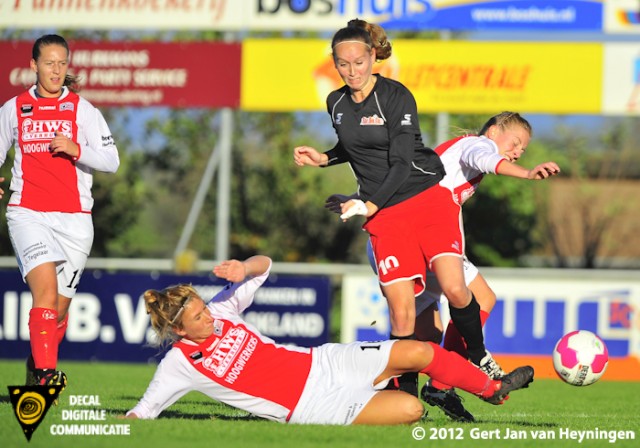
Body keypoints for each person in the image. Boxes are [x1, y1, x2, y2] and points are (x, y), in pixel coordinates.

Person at [293, 18, 504, 398]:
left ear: (373, 58)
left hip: (425, 200)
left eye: (359, 62)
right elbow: (357, 145)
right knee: (402, 314)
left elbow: (402, 162)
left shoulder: (397, 96)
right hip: (386, 216)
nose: (352, 71)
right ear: (335, 64)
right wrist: (324, 158)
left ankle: (478, 355)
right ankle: (404, 397)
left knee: (456, 289)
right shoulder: (335, 102)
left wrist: (366, 203)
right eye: (343, 64)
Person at [324, 111, 560, 422]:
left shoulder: (448, 155)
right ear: (494, 130)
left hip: (403, 237)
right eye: (515, 142)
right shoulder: (475, 145)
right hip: (420, 238)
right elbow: (487, 158)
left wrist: (359, 199)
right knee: (479, 299)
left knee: (426, 337)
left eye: (522, 150)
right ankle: (457, 374)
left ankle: (394, 394)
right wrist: (527, 173)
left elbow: (403, 179)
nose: (517, 152)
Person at [125, 255, 535, 425]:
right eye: (198, 317)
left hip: (324, 362)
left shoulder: (222, 310)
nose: (209, 317)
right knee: (410, 409)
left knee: (421, 351)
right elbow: (142, 415)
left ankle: (492, 389)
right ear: (179, 330)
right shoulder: (178, 364)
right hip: (315, 404)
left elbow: (264, 266)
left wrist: (243, 267)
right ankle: (398, 392)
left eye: (204, 306)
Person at [0, 34, 120, 391]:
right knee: (46, 296)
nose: (56, 70)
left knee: (60, 312)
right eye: (49, 63)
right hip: (28, 213)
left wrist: (75, 148)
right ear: (34, 65)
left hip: (75, 220)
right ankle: (46, 378)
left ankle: (35, 366)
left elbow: (111, 161)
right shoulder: (13, 108)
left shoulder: (83, 110)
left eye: (62, 63)